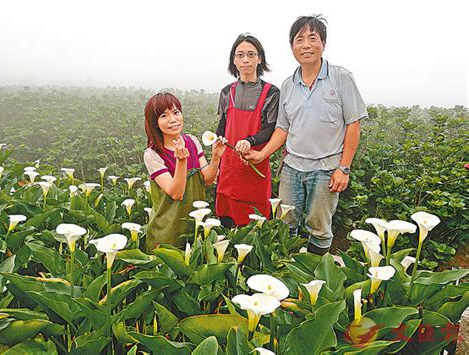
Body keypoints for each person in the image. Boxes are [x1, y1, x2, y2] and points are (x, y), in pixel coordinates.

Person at [245, 15, 367, 255]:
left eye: (313, 38)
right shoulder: (289, 84)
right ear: (292, 47)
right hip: (292, 168)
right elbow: (283, 128)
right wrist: (262, 154)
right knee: (284, 223)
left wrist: (344, 168)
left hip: (327, 169)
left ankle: (314, 277)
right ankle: (286, 273)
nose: (306, 45)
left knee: (319, 227)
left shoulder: (341, 78)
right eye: (299, 40)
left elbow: (353, 124)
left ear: (323, 43)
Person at [143, 93, 226, 251]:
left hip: (195, 225)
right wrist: (181, 161)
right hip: (167, 232)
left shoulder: (192, 141)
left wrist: (215, 158)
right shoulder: (153, 154)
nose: (172, 119)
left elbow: (208, 179)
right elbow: (176, 193)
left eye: (176, 112)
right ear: (155, 123)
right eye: (163, 115)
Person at [216, 34, 280, 228]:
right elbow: (223, 125)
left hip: (255, 162)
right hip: (229, 165)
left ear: (259, 58)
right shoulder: (227, 92)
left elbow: (271, 128)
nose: (245, 60)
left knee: (254, 221)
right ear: (234, 60)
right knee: (226, 215)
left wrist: (250, 141)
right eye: (240, 55)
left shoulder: (271, 92)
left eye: (251, 54)